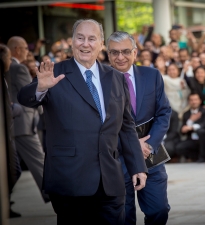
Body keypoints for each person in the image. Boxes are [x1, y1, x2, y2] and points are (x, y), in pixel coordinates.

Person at [17, 19, 147, 225]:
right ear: (72, 42)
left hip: (110, 182)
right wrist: (40, 88)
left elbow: (126, 126)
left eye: (91, 39)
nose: (85, 44)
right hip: (70, 181)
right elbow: (24, 98)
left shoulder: (115, 78)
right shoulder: (54, 74)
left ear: (101, 44)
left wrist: (138, 166)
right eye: (80, 38)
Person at [106, 31, 171, 225]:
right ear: (108, 54)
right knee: (123, 216)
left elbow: (164, 113)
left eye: (126, 51)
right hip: (117, 157)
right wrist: (132, 144)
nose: (120, 57)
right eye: (114, 52)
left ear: (135, 52)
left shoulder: (152, 75)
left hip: (149, 154)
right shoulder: (99, 81)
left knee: (159, 210)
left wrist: (150, 145)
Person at [6, 36, 50, 203]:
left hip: (14, 123)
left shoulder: (9, 68)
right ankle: (53, 194)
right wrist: (43, 108)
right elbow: (32, 96)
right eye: (25, 48)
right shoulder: (18, 68)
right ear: (17, 49)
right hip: (23, 124)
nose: (28, 51)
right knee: (39, 161)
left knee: (13, 167)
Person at [0, 44, 22, 218]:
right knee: (13, 170)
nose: (10, 61)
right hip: (5, 136)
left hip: (9, 134)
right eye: (8, 58)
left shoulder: (4, 76)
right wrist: (15, 109)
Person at [175, 93, 205, 162]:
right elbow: (182, 131)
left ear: (200, 100)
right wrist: (190, 120)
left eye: (196, 99)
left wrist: (192, 127)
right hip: (192, 139)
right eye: (191, 100)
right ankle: (195, 157)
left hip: (204, 139)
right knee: (179, 148)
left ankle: (203, 157)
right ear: (189, 101)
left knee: (202, 132)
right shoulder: (186, 114)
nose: (194, 102)